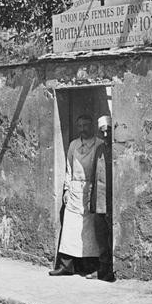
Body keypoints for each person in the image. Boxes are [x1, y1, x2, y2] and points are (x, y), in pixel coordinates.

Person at [50, 114, 106, 277]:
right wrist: (67, 189)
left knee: (89, 231)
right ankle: (66, 265)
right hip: (75, 189)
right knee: (70, 228)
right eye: (80, 126)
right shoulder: (73, 145)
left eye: (86, 125)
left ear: (92, 127)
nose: (83, 129)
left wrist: (95, 191)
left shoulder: (99, 144)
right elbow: (69, 167)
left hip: (90, 189)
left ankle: (89, 266)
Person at [87, 115, 115, 282]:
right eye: (102, 132)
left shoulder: (116, 150)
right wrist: (91, 199)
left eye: (108, 131)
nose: (105, 135)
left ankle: (112, 269)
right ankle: (102, 269)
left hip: (111, 201)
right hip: (99, 201)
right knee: (101, 237)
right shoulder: (99, 149)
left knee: (112, 236)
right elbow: (94, 175)